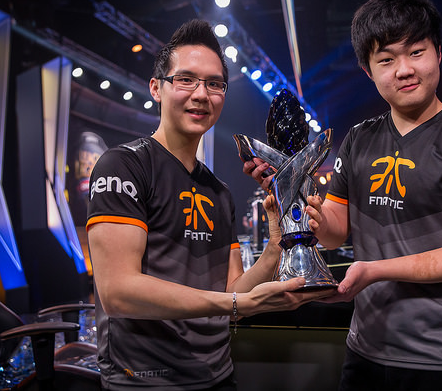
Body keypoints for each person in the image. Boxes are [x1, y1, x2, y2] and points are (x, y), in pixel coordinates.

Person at [245, 0, 442, 390]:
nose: (404, 69)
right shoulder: (359, 138)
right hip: (365, 352)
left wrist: (375, 270)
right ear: (368, 71)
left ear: (439, 53)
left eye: (416, 52)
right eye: (386, 59)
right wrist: (293, 192)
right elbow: (334, 231)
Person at [86, 20, 333, 390]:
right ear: (156, 88)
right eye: (186, 80)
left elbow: (233, 289)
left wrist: (274, 246)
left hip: (217, 376)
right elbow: (118, 292)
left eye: (215, 84)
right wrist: (235, 304)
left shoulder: (218, 191)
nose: (201, 94)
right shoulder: (124, 166)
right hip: (145, 381)